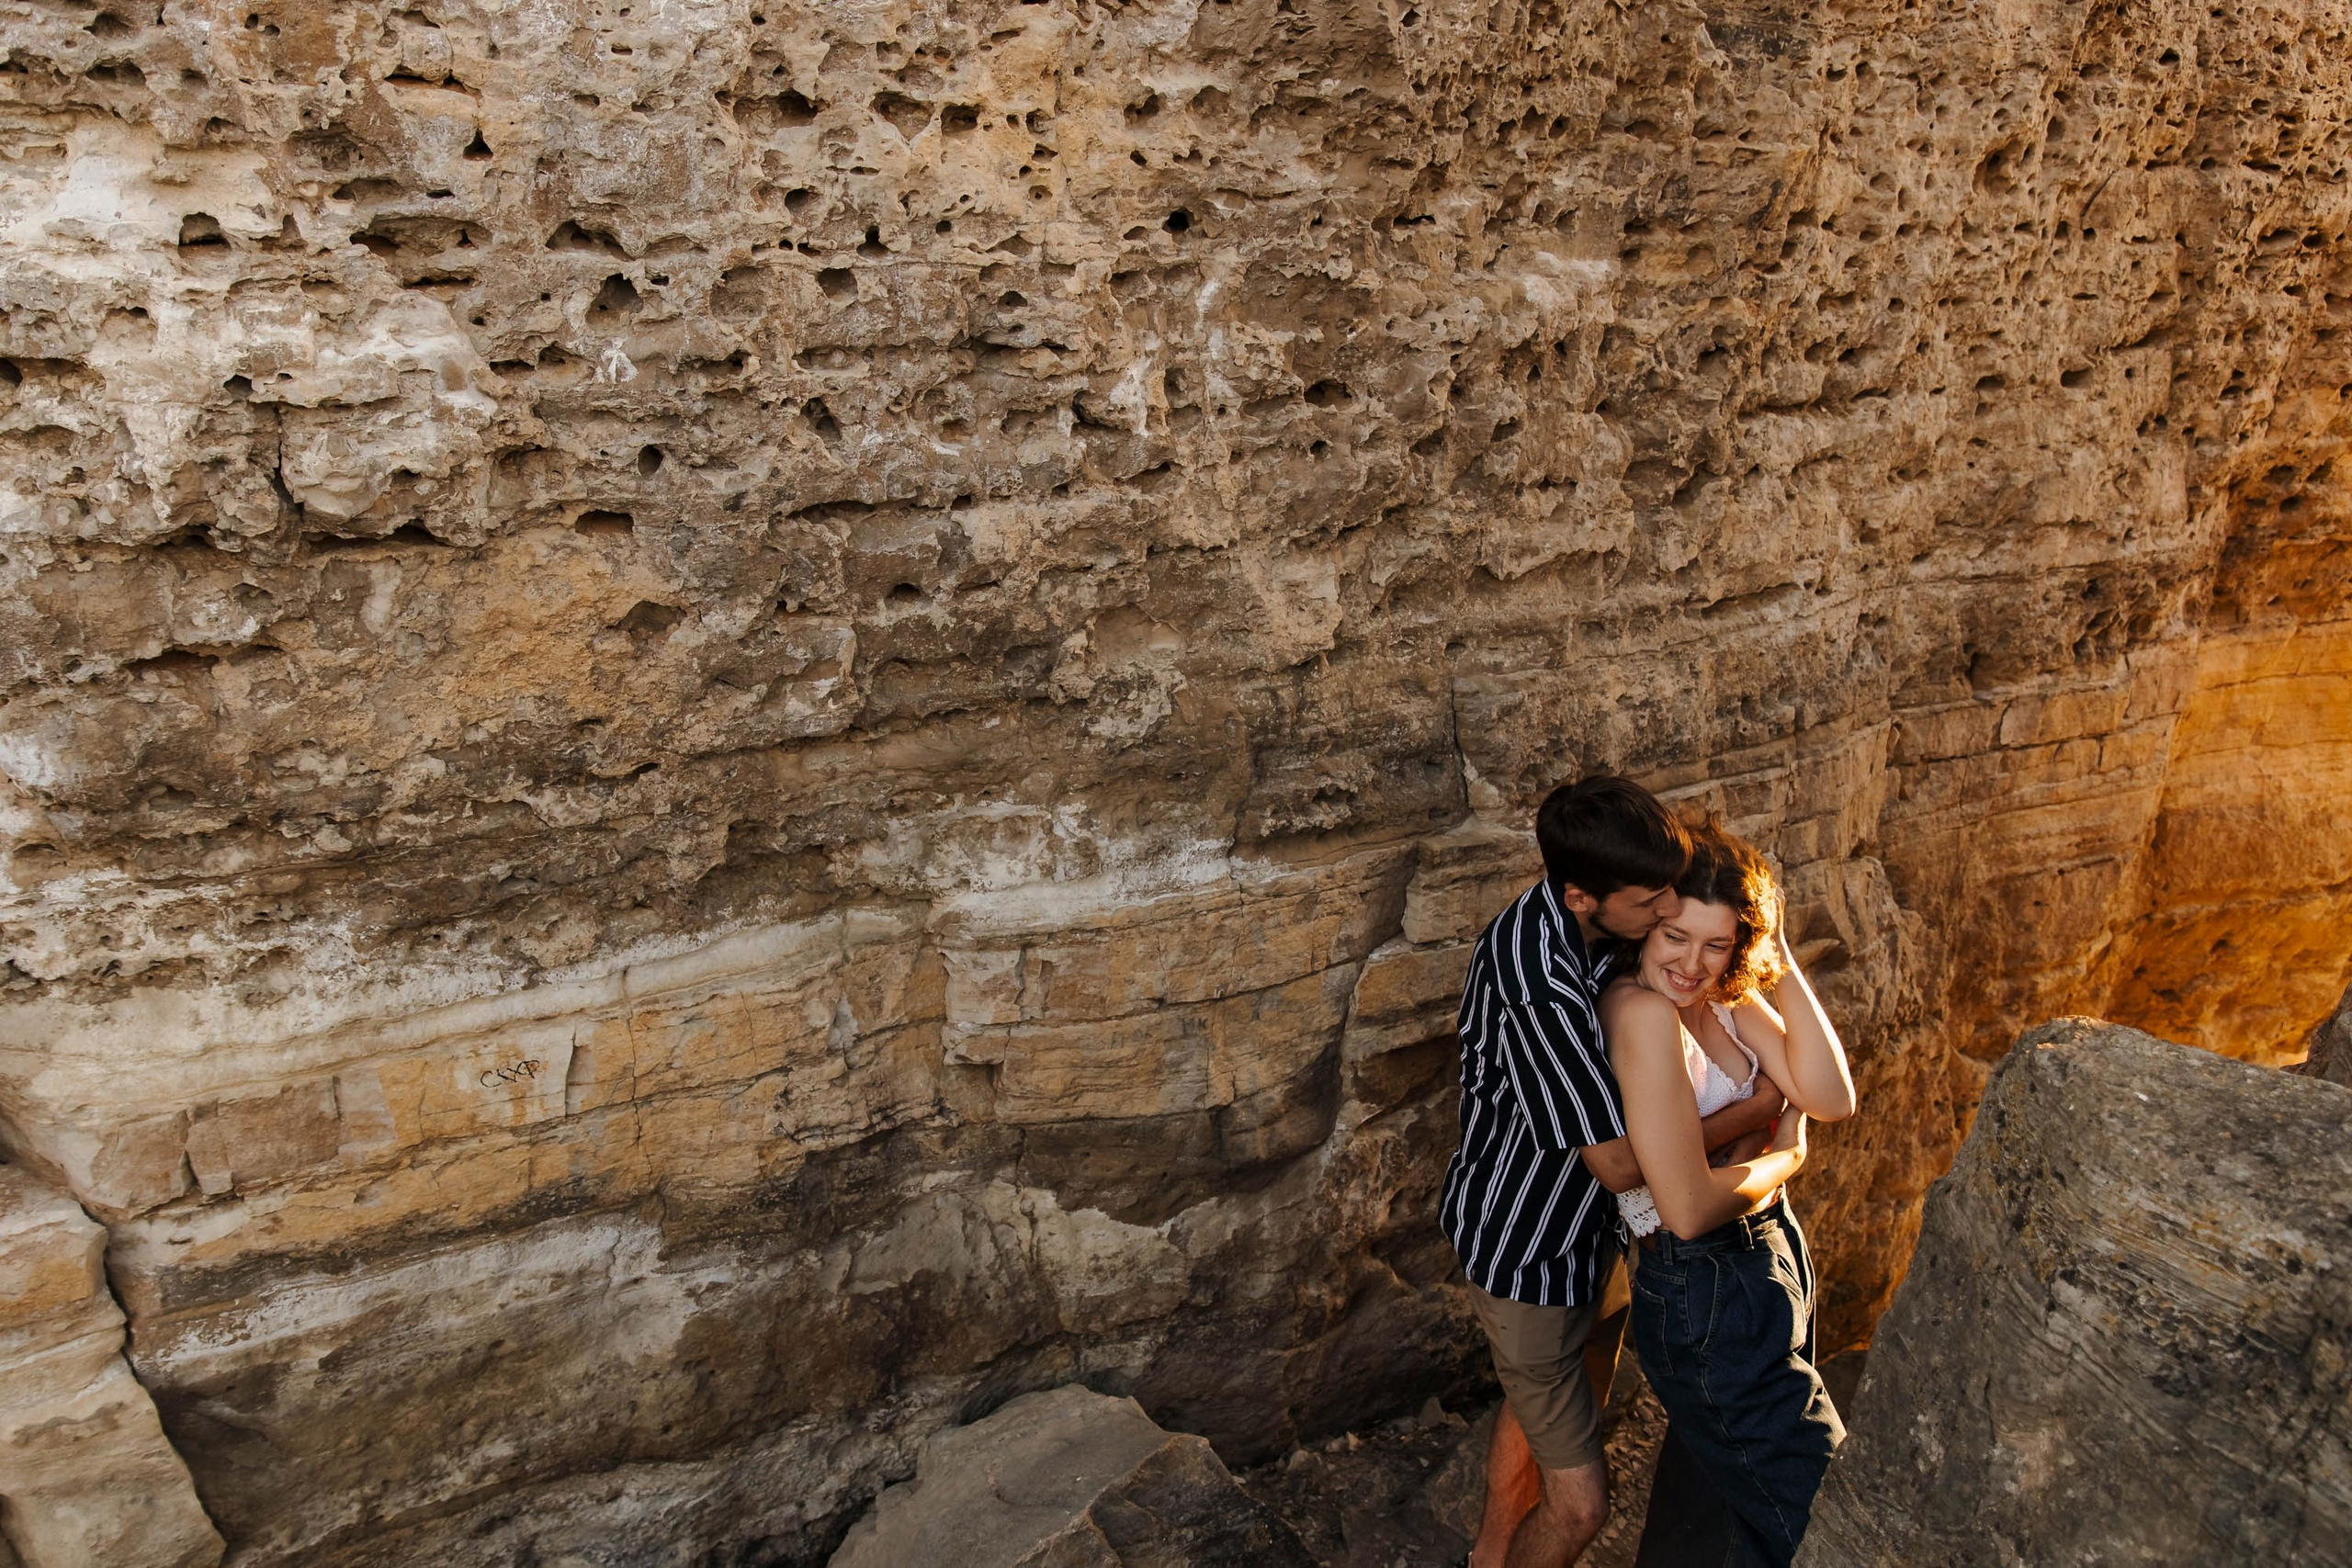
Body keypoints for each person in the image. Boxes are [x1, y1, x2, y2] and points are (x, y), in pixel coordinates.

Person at [1441, 779, 1787, 1568]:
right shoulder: (1540, 984)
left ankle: (1490, 1556)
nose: (1669, 911)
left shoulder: (1606, 902)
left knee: (1550, 1406)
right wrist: (1759, 1109)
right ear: (1581, 896)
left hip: (1598, 1233)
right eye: (1651, 903)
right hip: (1528, 1247)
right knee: (1583, 1504)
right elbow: (1626, 1162)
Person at [1600, 824, 1857, 1568]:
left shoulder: (1722, 998)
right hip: (1700, 1279)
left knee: (1722, 1518)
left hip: (1769, 1255)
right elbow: (1685, 1205)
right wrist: (1784, 1154)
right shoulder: (1638, 1011)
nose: (1691, 962)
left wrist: (1774, 956)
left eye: (1718, 943)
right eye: (1676, 935)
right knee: (1824, 1509)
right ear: (1650, 922)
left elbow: (1830, 1093)